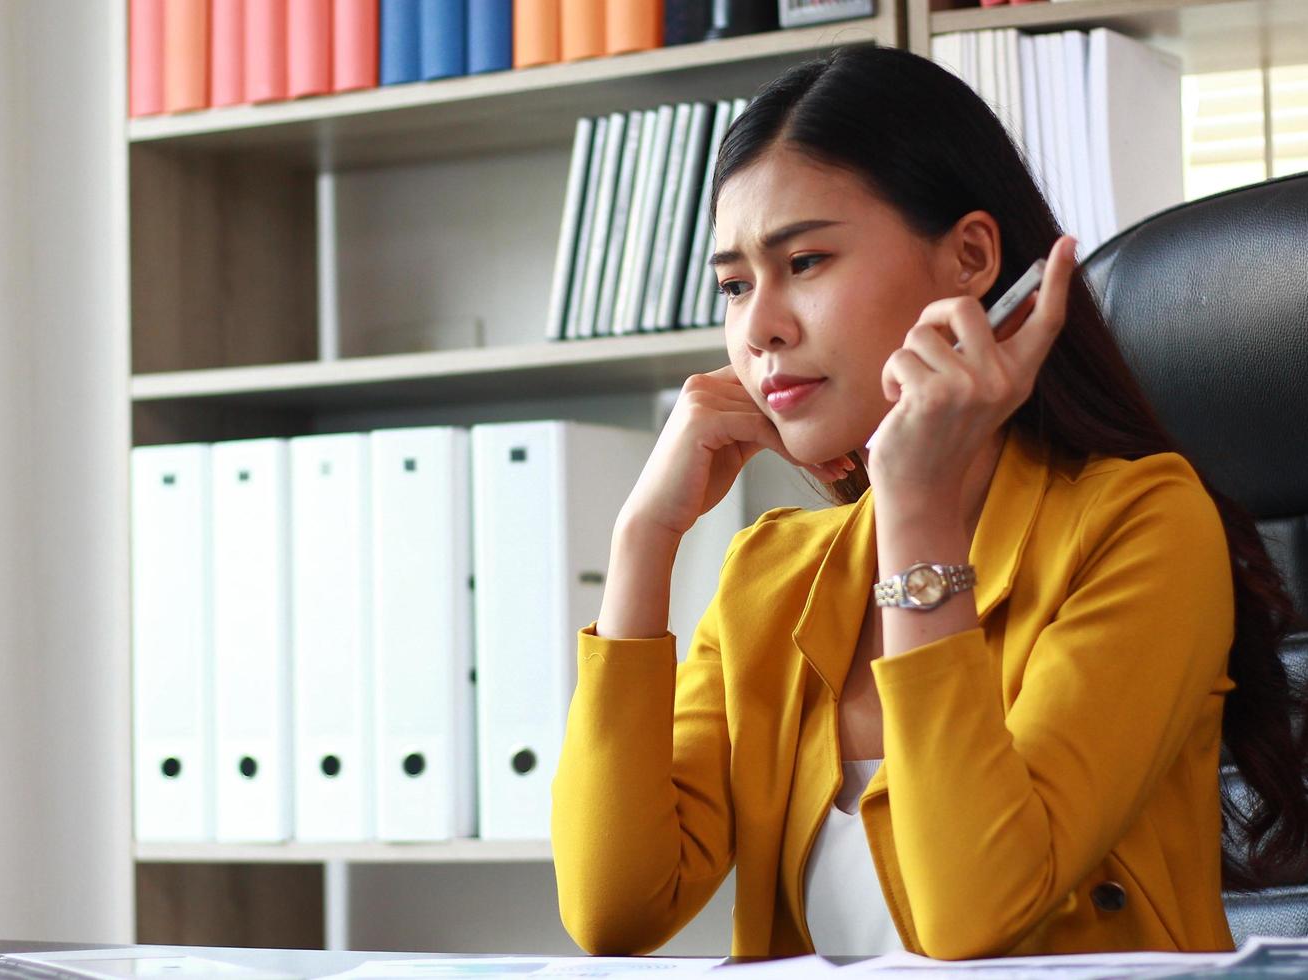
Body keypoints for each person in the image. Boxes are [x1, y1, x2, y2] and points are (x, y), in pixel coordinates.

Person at [549, 46, 1308, 961]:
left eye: (806, 259)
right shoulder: (772, 571)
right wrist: (644, 540)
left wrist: (913, 502)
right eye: (735, 284)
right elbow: (612, 910)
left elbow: (970, 912)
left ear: (971, 258)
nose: (759, 327)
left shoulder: (1140, 524)